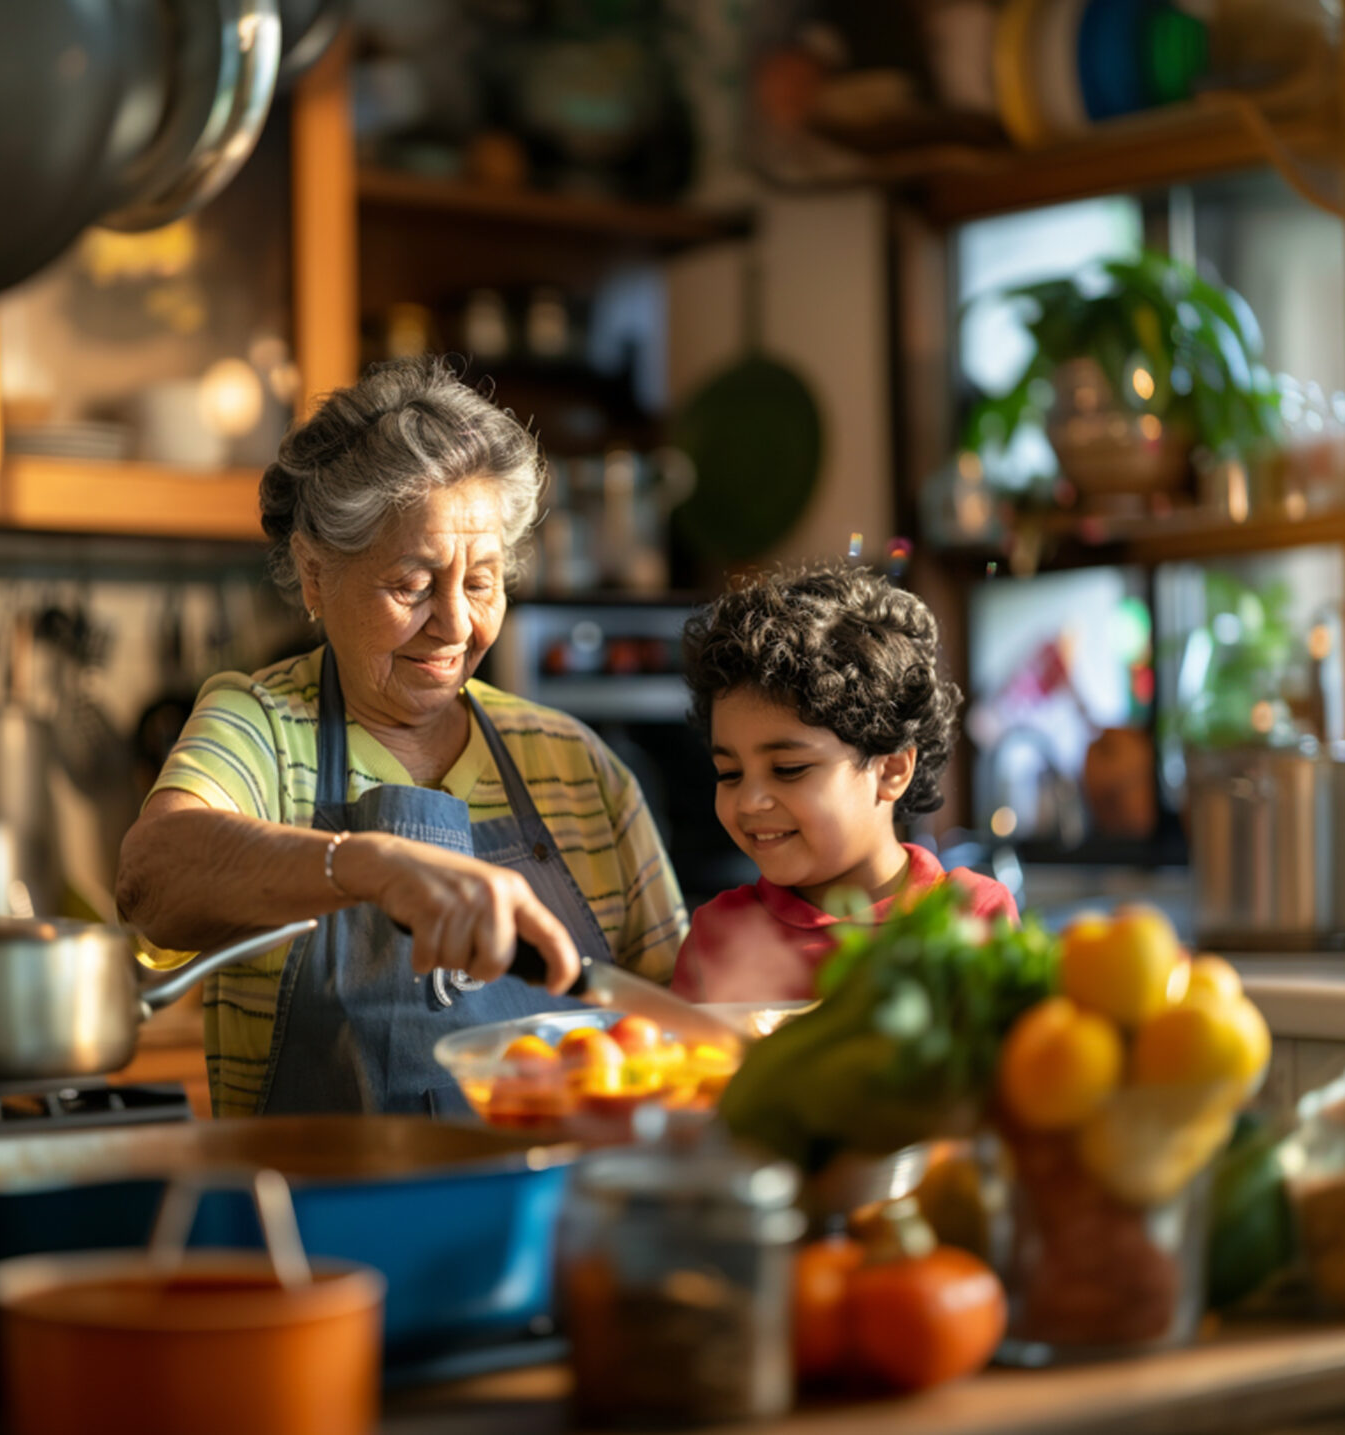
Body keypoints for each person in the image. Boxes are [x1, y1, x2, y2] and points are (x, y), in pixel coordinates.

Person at [116, 358, 689, 1117]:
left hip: (548, 1221)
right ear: (316, 575)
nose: (455, 624)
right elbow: (151, 879)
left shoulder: (575, 763)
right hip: (320, 1224)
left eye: (482, 582)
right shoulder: (260, 726)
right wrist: (366, 865)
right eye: (413, 584)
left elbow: (678, 1023)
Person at [671, 561, 1015, 1002]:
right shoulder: (717, 936)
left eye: (788, 769)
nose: (751, 801)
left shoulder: (972, 914)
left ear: (891, 770)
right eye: (730, 774)